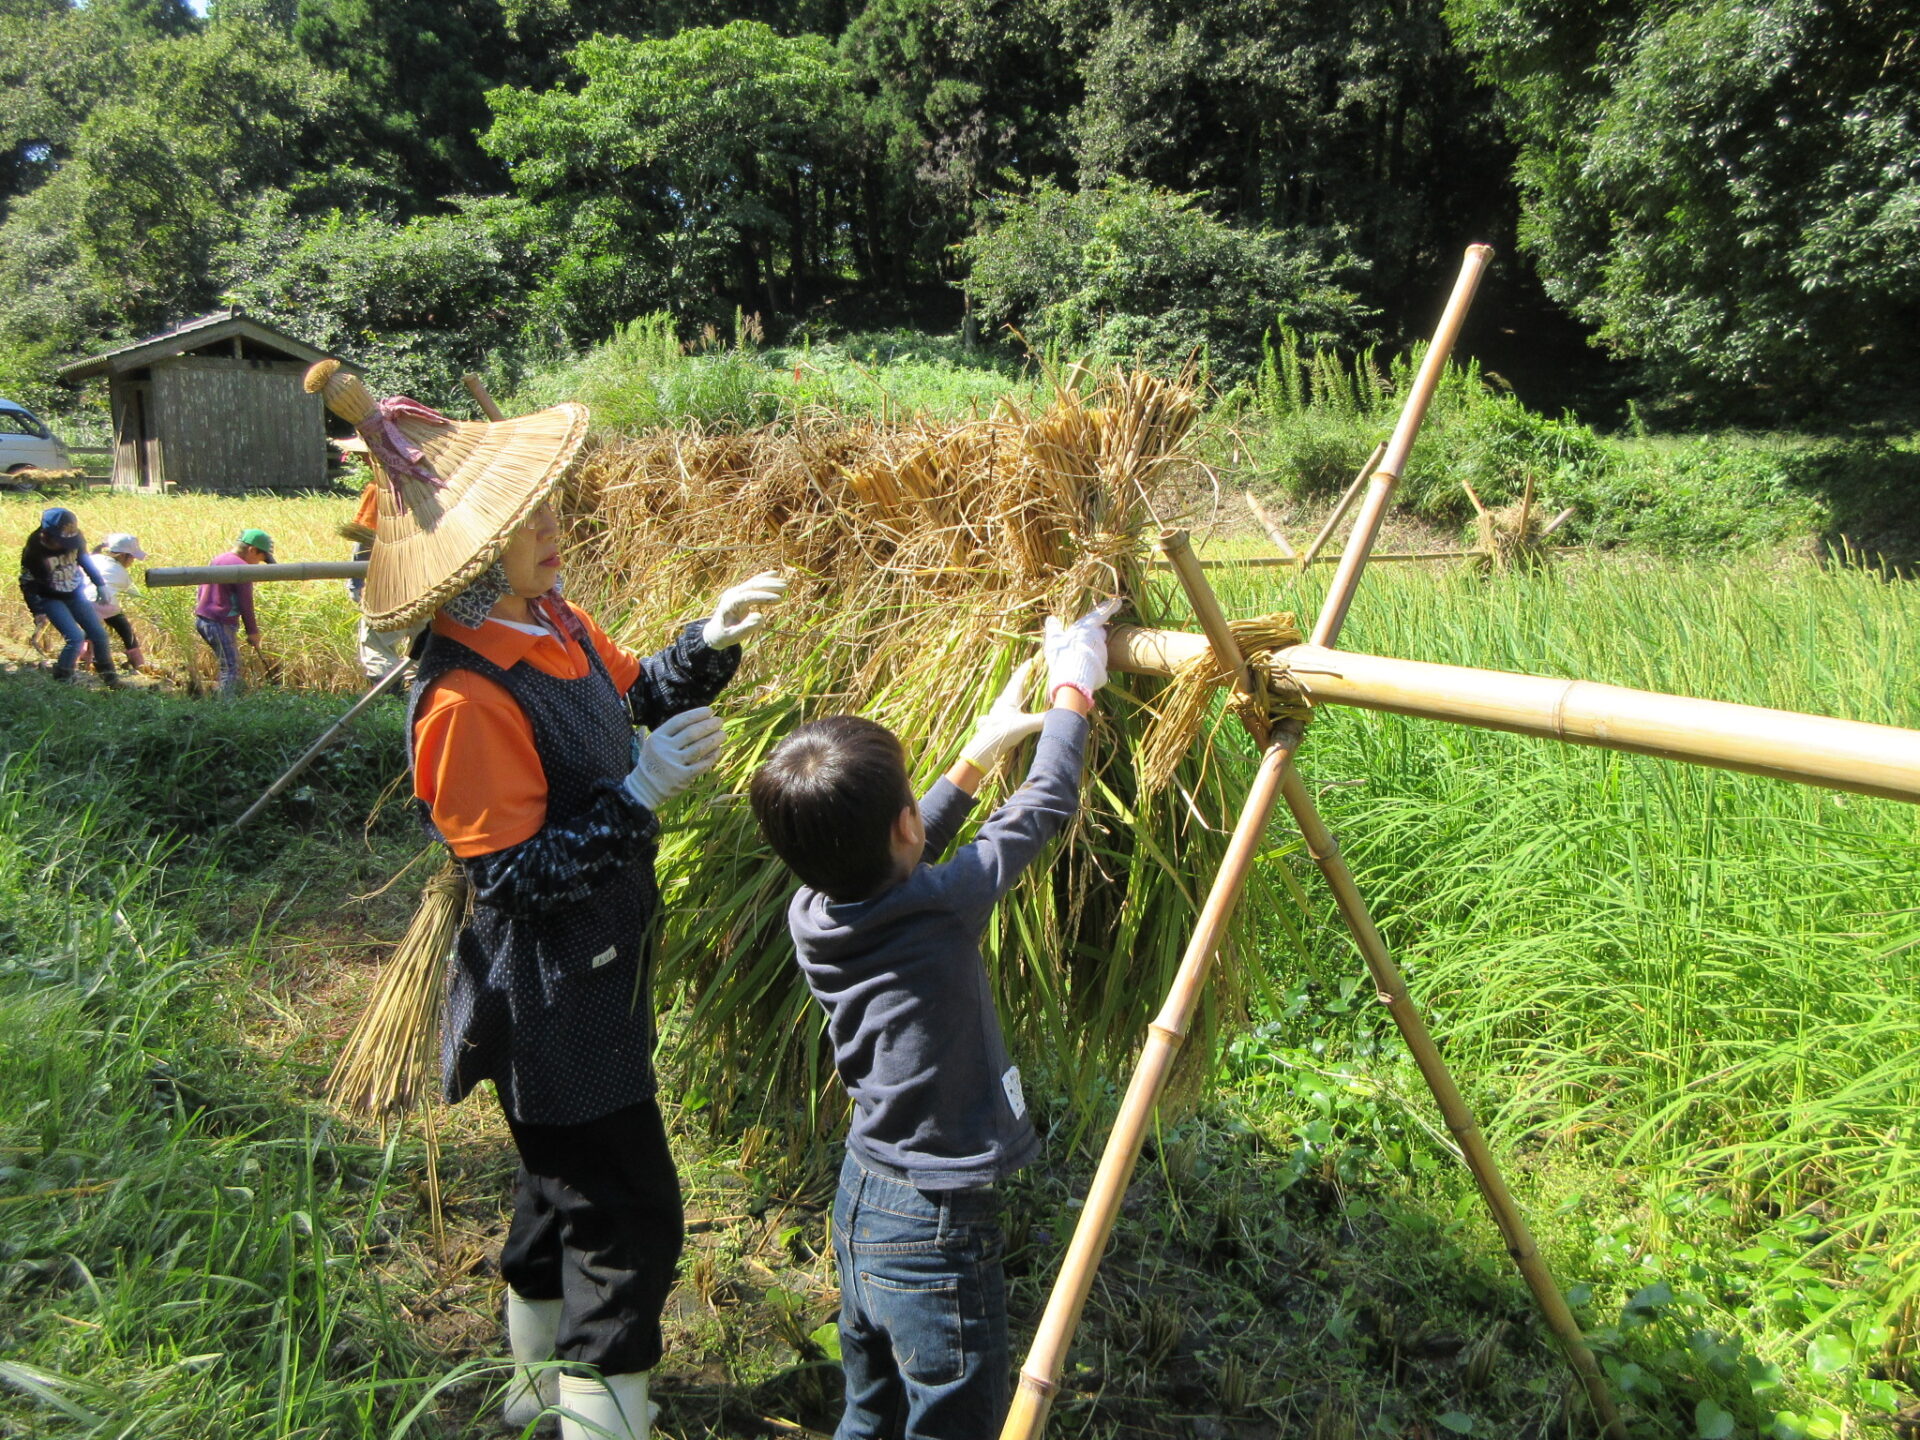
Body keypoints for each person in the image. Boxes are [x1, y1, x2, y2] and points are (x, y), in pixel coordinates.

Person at [306, 357, 789, 1440]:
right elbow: (515, 880)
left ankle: (534, 1393)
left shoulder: (552, 623)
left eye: (548, 506)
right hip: (550, 986)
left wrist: (709, 641)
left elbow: (631, 697)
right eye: (528, 520)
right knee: (627, 1215)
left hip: (602, 959)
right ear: (473, 560)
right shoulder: (464, 696)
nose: (554, 527)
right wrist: (641, 789)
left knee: (558, 1186)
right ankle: (598, 1422)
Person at [748, 598, 1120, 1440]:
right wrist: (1076, 684)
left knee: (870, 1411)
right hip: (934, 1227)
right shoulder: (943, 904)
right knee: (951, 1422)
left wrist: (972, 764)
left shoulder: (811, 910)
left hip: (863, 1198)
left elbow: (892, 859)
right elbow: (1050, 800)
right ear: (907, 826)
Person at [19, 507, 118, 686]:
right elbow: (28, 583)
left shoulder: (75, 538)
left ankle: (109, 677)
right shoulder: (34, 550)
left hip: (74, 593)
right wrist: (38, 611)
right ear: (47, 534)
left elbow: (84, 560)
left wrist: (100, 584)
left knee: (99, 635)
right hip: (50, 597)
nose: (65, 545)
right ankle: (63, 679)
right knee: (75, 638)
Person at [192, 527, 273, 694]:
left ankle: (225, 699)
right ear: (252, 550)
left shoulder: (219, 559)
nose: (258, 564)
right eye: (260, 558)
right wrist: (253, 632)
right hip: (219, 621)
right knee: (231, 667)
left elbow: (201, 588)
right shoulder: (241, 568)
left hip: (203, 619)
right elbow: (246, 602)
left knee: (228, 663)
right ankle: (226, 708)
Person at [89, 533, 148, 672]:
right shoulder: (121, 572)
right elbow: (135, 596)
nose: (132, 561)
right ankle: (138, 661)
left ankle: (84, 659)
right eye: (132, 557)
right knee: (125, 629)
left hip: (81, 603)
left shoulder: (93, 559)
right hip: (105, 605)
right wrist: (148, 610)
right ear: (123, 556)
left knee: (89, 630)